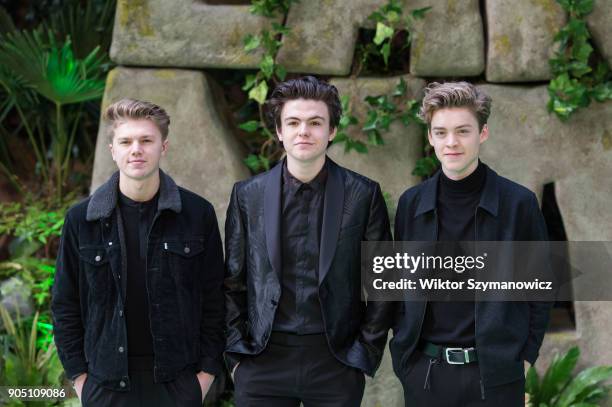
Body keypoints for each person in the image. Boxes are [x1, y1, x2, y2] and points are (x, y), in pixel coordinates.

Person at [224, 76, 393, 406]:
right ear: (279, 131)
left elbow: (383, 282)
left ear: (331, 131)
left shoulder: (363, 195)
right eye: (293, 122)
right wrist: (237, 357)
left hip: (335, 361)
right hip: (263, 361)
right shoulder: (247, 195)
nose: (303, 131)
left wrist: (362, 353)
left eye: (315, 122)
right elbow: (232, 280)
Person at [52, 99, 225, 406]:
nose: (136, 149)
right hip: (105, 384)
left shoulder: (197, 214)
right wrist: (79, 379)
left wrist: (205, 376)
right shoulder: (82, 220)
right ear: (113, 150)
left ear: (164, 147)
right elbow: (65, 304)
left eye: (147, 140)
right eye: (126, 141)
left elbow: (215, 299)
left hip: (177, 382)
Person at [390, 82, 553, 406]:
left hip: (495, 377)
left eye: (463, 131)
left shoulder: (518, 203)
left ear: (483, 133)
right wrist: (405, 359)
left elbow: (541, 286)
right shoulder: (411, 204)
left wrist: (523, 357)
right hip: (426, 376)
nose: (451, 142)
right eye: (441, 132)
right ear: (430, 137)